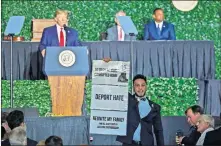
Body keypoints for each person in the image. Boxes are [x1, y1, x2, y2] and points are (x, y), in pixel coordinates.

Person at [116, 74, 164, 146]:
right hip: (129, 143)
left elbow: (158, 131)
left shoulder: (155, 107)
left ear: (146, 87)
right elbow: (118, 86)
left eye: (143, 85)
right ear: (133, 87)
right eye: (137, 85)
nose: (140, 88)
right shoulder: (127, 100)